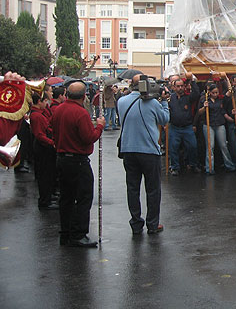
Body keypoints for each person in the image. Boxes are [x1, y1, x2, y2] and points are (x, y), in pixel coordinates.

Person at [50, 81, 105, 247]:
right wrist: (100, 127)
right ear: (83, 96)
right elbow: (88, 137)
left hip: (62, 158)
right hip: (77, 160)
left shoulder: (58, 110)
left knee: (66, 198)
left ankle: (65, 232)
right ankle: (79, 233)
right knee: (83, 197)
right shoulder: (80, 113)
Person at [117, 75, 169, 235]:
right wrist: (165, 101)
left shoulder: (121, 101)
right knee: (153, 189)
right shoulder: (153, 103)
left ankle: (136, 224)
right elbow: (165, 119)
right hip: (149, 151)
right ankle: (152, 224)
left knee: (132, 188)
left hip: (128, 150)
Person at [167, 73, 200, 176]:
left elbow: (196, 93)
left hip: (187, 127)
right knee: (173, 148)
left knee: (193, 146)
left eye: (182, 86)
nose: (180, 88)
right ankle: (175, 167)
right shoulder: (170, 99)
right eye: (178, 86)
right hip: (174, 127)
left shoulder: (188, 97)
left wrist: (192, 81)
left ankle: (193, 164)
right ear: (174, 87)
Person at [199, 83, 236, 174]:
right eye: (213, 93)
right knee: (210, 146)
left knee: (223, 145)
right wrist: (204, 107)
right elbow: (199, 112)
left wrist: (226, 80)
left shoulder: (221, 100)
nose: (215, 94)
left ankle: (229, 165)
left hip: (220, 124)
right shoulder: (204, 100)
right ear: (209, 93)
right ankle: (209, 168)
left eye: (216, 92)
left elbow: (229, 92)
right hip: (208, 125)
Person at [30, 92, 58, 210]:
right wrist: (52, 143)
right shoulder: (36, 116)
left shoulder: (39, 113)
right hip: (42, 147)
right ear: (39, 102)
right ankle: (44, 201)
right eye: (45, 101)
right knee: (44, 175)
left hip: (45, 146)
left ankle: (48, 196)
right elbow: (39, 135)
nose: (46, 103)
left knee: (48, 173)